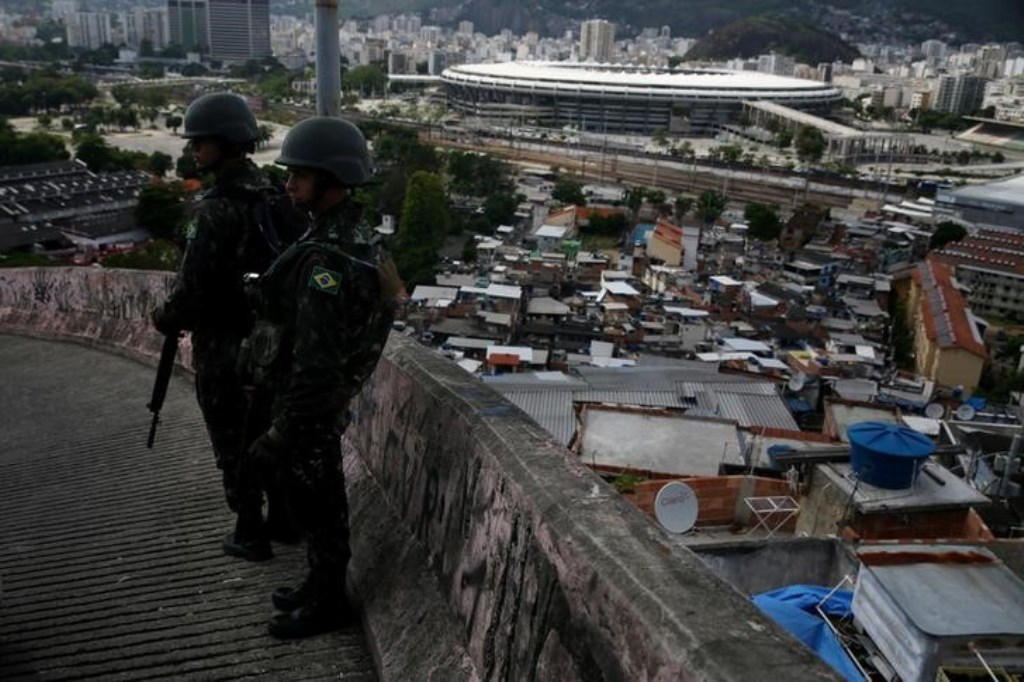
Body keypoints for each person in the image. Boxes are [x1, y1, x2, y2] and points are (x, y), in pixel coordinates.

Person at [243, 116, 397, 639]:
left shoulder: (327, 263)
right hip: (317, 403)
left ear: (331, 180)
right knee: (314, 502)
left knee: (320, 504)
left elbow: (316, 362)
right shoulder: (351, 237)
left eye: (299, 177)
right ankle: (317, 583)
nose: (289, 186)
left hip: (308, 409)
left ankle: (329, 601)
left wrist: (282, 431)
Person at [152, 92, 293, 562]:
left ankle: (249, 529)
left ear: (223, 143)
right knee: (271, 430)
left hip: (225, 344)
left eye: (201, 142)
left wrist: (165, 318)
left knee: (232, 439)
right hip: (271, 344)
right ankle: (284, 519)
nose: (194, 149)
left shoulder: (212, 210)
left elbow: (191, 289)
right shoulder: (273, 194)